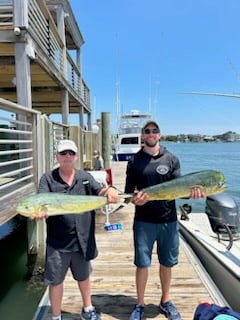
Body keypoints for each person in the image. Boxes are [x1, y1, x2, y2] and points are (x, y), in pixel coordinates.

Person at [124, 121, 205, 320]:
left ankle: (165, 300)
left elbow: (181, 188)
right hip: (143, 221)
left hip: (168, 220)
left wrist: (192, 194)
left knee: (167, 263)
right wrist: (136, 199)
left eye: (155, 131)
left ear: (160, 135)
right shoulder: (134, 161)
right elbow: (129, 192)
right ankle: (140, 303)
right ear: (142, 136)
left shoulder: (172, 159)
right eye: (147, 131)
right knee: (142, 264)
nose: (151, 134)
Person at [31, 139, 119, 320]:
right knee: (56, 282)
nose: (67, 156)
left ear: (76, 156)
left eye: (71, 153)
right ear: (57, 156)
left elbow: (99, 191)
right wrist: (38, 211)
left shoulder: (85, 177)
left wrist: (109, 190)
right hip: (58, 243)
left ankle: (88, 308)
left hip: (83, 240)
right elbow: (41, 199)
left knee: (84, 277)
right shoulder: (47, 178)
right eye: (63, 153)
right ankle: (56, 316)